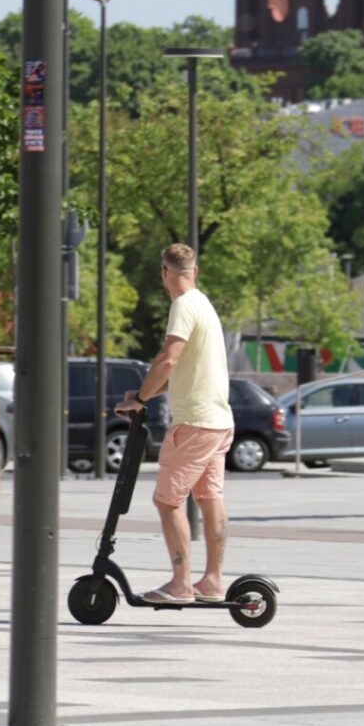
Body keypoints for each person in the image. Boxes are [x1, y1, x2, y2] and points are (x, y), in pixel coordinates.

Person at [116, 243, 234, 605]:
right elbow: (182, 370)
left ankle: (181, 584)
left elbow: (169, 359)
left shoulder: (182, 306)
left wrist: (139, 399)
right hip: (219, 421)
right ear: (194, 271)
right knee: (210, 498)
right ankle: (213, 581)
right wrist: (145, 392)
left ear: (164, 273)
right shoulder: (204, 304)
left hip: (194, 423)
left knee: (167, 501)